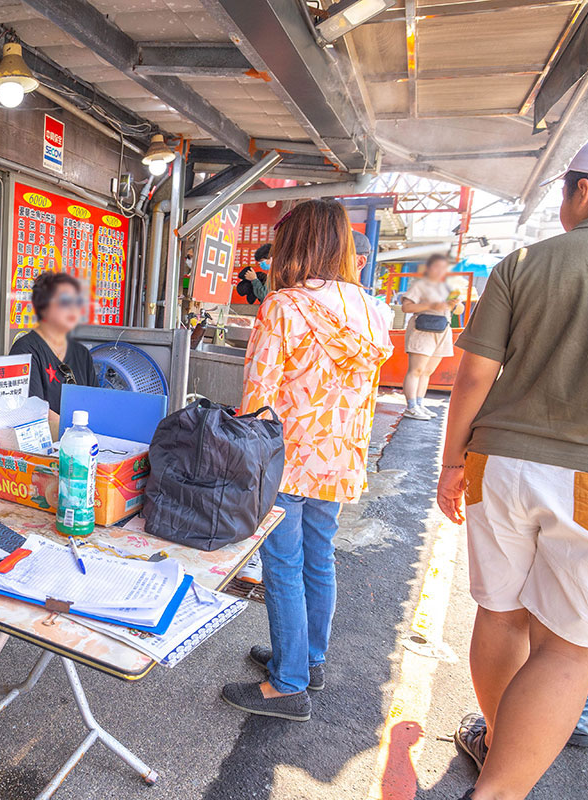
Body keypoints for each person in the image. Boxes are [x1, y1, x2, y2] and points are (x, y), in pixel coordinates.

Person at [437, 127, 588, 800]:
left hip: (500, 463)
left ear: (584, 189)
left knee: (500, 613)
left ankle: (494, 739)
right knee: (570, 650)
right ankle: (499, 788)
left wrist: (452, 461)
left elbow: (473, 376)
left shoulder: (524, 263)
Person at [221, 199, 393, 722]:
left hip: (288, 459)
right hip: (339, 459)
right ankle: (308, 660)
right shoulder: (373, 309)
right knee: (318, 559)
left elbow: (257, 396)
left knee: (281, 566)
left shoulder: (284, 306)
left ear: (297, 244)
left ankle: (289, 683)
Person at [8, 271, 99, 436]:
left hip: (83, 442)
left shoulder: (82, 354)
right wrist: (76, 434)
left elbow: (95, 403)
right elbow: (34, 410)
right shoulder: (25, 350)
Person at [399, 254, 464, 419]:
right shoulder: (420, 285)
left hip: (443, 330)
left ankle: (419, 403)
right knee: (416, 369)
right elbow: (406, 307)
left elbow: (459, 310)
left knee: (427, 371)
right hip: (422, 330)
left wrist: (454, 304)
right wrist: (431, 305)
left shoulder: (449, 288)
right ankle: (411, 406)